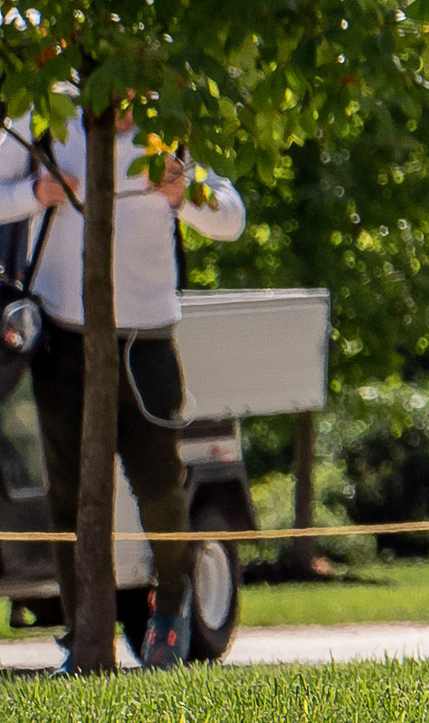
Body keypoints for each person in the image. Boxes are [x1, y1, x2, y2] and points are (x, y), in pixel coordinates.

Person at [0, 102, 248, 669]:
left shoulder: (171, 132)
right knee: (69, 496)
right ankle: (84, 636)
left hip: (147, 340)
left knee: (160, 486)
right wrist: (34, 195)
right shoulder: (48, 117)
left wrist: (185, 194)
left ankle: (172, 610)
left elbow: (231, 218)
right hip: (65, 336)